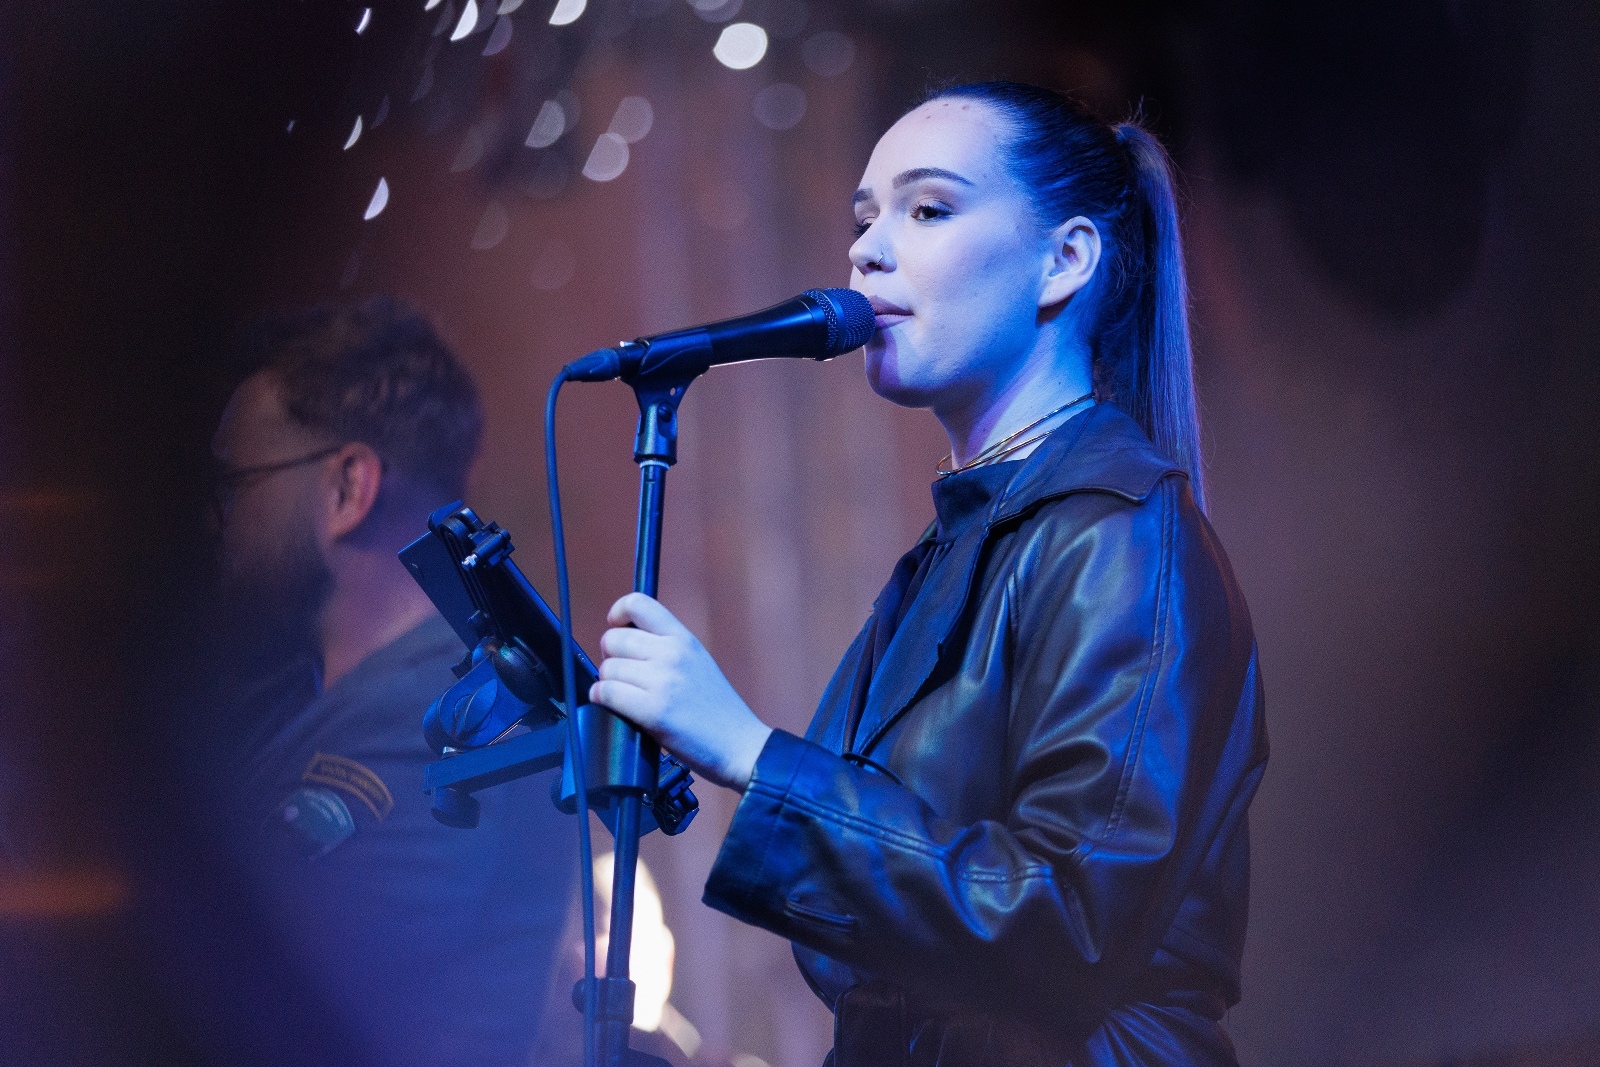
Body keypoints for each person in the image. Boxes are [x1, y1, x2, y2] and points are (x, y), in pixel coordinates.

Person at [585, 83, 1268, 1066]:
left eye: (929, 208)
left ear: (1066, 259)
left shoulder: (1119, 534)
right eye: (863, 218)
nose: (866, 250)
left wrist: (750, 752)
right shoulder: (953, 549)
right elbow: (870, 951)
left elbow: (1064, 922)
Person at [198, 297, 576, 1067]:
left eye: (236, 482)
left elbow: (234, 991)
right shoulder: (323, 695)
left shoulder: (450, 718)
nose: (218, 519)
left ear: (347, 488)